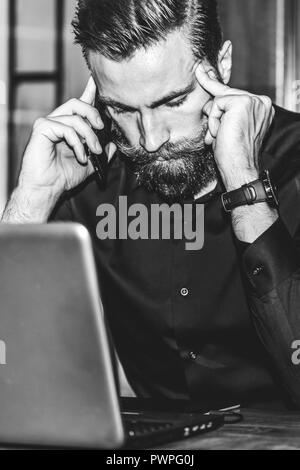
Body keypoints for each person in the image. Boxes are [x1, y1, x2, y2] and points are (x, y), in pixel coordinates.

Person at [2, 0, 300, 409]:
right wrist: (31, 202)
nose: (149, 138)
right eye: (121, 109)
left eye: (173, 102)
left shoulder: (294, 164)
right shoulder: (87, 173)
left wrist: (245, 185)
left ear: (222, 66)